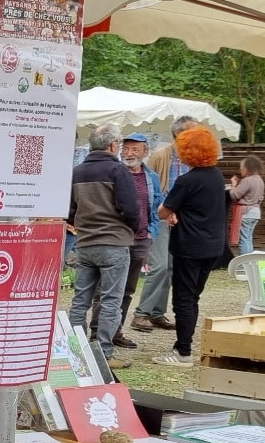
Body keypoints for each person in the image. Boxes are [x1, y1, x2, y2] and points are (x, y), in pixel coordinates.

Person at [152, 127, 228, 367]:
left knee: (183, 299)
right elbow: (198, 207)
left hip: (189, 246)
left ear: (187, 152)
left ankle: (183, 352)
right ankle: (184, 346)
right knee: (193, 297)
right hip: (213, 245)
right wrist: (179, 212)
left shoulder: (187, 180)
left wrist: (170, 211)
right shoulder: (217, 176)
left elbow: (163, 210)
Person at [68, 124, 139, 369]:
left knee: (80, 300)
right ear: (113, 145)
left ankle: (74, 352)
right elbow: (131, 209)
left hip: (85, 243)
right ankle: (104, 355)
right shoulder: (118, 171)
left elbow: (69, 211)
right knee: (110, 301)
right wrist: (131, 227)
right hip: (114, 243)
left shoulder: (76, 172)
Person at [91, 133, 162, 351]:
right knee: (105, 289)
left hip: (141, 239)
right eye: (126, 149)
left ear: (145, 152)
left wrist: (151, 230)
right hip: (115, 239)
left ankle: (115, 331)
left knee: (128, 289)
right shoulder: (115, 173)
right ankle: (97, 333)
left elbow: (157, 203)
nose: (129, 153)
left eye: (135, 149)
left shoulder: (151, 178)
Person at [133, 116, 199, 333]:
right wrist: (164, 210)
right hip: (161, 216)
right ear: (177, 134)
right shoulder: (161, 156)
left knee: (171, 267)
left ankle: (156, 312)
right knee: (160, 265)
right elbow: (148, 187)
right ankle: (141, 314)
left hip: (183, 220)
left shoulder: (194, 159)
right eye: (192, 132)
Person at [228, 155, 265, 255]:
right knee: (248, 239)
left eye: (242, 168)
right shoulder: (259, 180)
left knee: (244, 240)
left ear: (248, 168)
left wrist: (233, 185)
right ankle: (248, 262)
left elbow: (234, 195)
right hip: (255, 212)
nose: (241, 171)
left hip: (246, 213)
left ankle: (243, 264)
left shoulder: (247, 180)